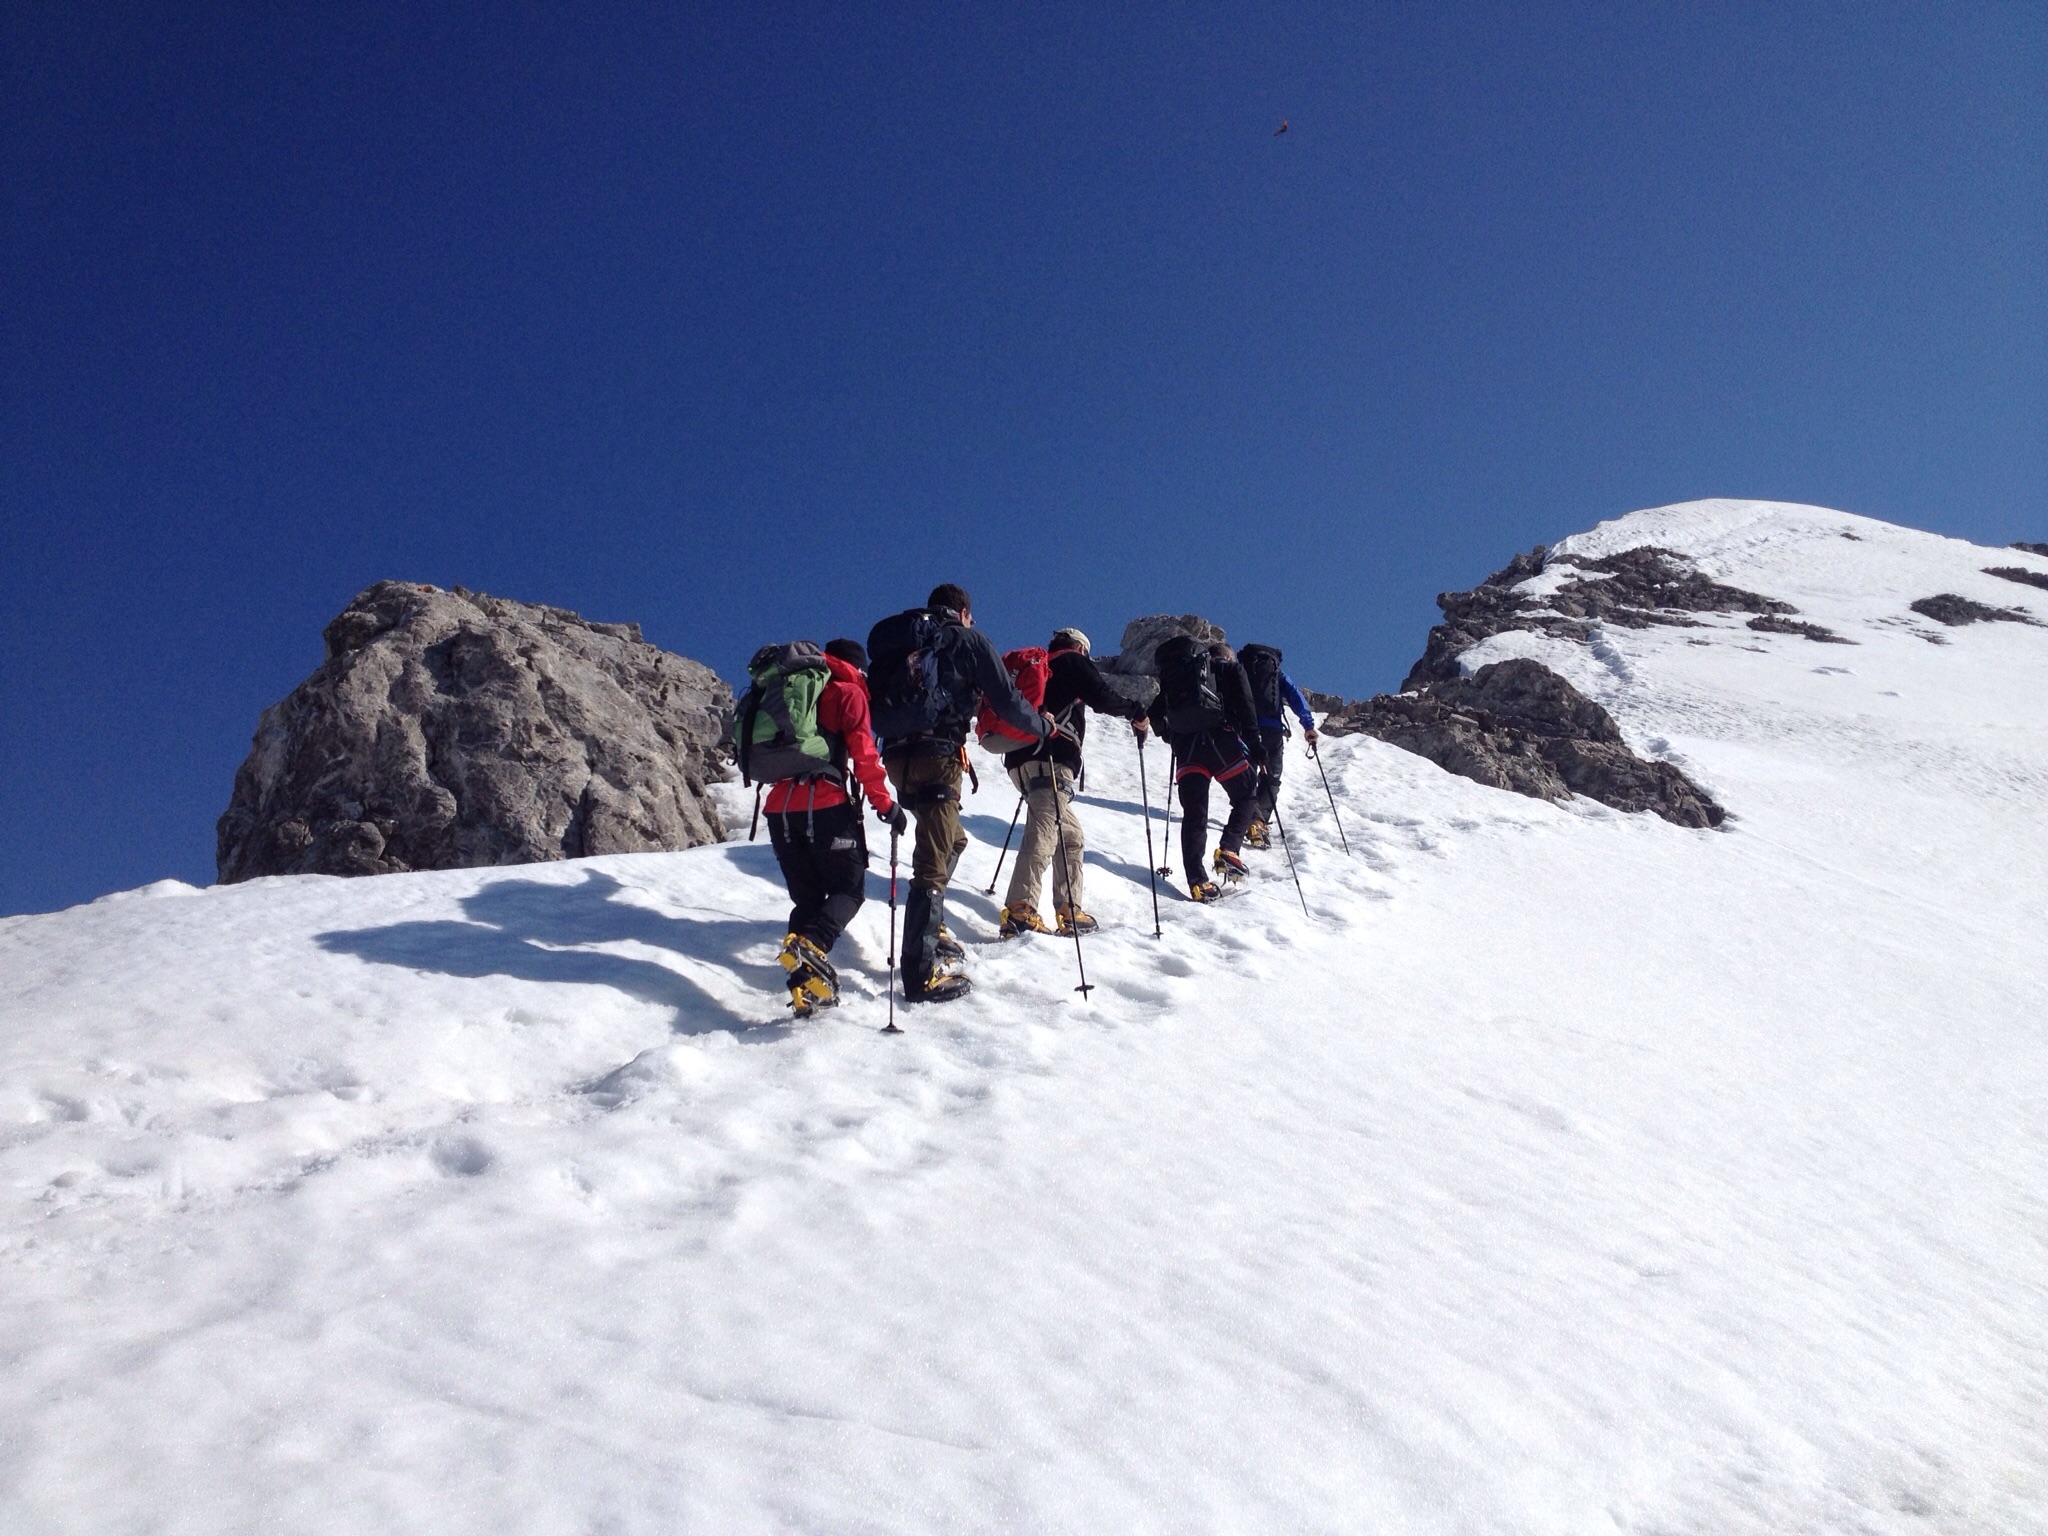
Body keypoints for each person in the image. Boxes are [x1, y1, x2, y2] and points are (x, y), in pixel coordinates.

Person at [868, 585, 1049, 1004]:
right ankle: (919, 976)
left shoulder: (903, 641)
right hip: (938, 756)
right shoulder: (966, 639)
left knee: (954, 839)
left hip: (896, 759)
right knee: (931, 863)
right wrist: (1042, 728)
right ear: (964, 612)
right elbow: (1006, 700)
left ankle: (936, 929)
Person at [743, 638, 904, 1017]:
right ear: (857, 667)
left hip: (779, 809)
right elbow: (864, 752)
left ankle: (804, 986)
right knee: (849, 890)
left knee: (809, 900)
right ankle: (812, 947)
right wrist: (886, 804)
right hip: (825, 803)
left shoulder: (787, 689)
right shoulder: (847, 691)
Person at [997, 628, 1149, 938]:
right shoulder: (1071, 661)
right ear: (1081, 647)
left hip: (1020, 760)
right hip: (1051, 758)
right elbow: (1102, 697)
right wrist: (1136, 711)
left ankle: (1069, 908)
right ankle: (1020, 910)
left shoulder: (1038, 668)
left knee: (1070, 836)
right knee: (1044, 831)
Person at [1146, 637, 1261, 901]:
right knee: (1246, 796)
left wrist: (1169, 737)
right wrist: (1256, 744)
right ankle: (1228, 849)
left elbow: (1154, 713)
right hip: (1221, 744)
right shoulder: (1230, 670)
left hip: (1187, 750)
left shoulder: (1182, 678)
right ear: (1228, 656)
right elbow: (1246, 705)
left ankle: (1198, 882)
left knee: (1195, 814)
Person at [1237, 643, 1318, 850]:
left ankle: (1251, 817)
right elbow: (1296, 698)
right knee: (1271, 776)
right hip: (1272, 730)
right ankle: (1259, 822)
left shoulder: (1241, 671)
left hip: (1245, 728)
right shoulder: (1278, 675)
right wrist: (1308, 726)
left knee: (1246, 776)